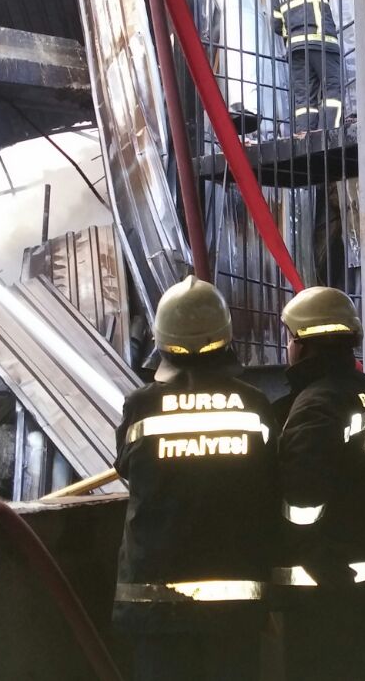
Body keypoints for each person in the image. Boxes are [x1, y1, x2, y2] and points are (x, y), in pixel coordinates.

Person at [112, 276, 276, 681]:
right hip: (235, 608)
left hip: (155, 604)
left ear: (162, 340)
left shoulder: (141, 406)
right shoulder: (255, 405)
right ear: (225, 336)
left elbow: (127, 469)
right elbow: (271, 477)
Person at [271, 286, 365, 680]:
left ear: (302, 343)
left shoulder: (315, 405)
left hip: (325, 589)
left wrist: (323, 570)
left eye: (289, 338)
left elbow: (302, 504)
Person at [271, 0, 353, 133]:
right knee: (332, 88)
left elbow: (276, 25)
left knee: (304, 98)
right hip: (322, 44)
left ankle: (305, 136)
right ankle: (330, 132)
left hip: (296, 50)